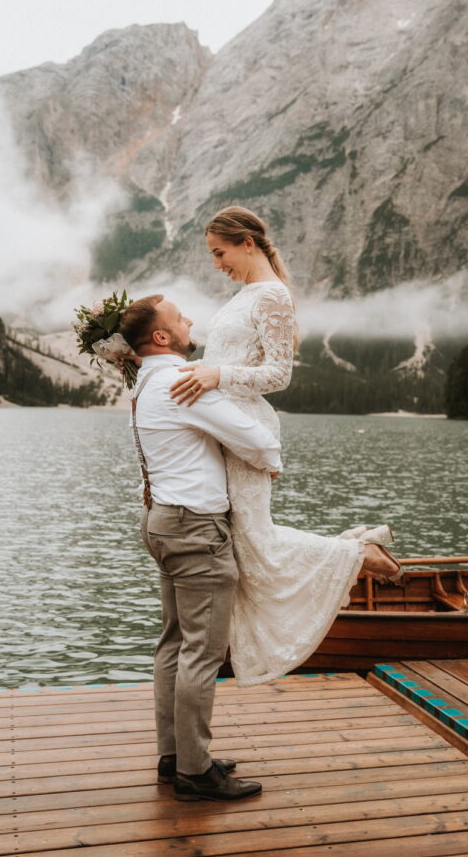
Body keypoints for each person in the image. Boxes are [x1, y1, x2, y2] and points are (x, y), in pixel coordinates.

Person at [169, 205, 402, 687]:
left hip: (246, 428)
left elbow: (280, 374)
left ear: (247, 243)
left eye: (220, 252)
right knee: (240, 542)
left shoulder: (273, 296)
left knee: (257, 543)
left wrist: (219, 375)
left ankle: (358, 555)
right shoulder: (244, 296)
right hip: (222, 427)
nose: (216, 264)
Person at [119, 294, 281, 802]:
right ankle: (195, 770)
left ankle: (175, 755)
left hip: (161, 522)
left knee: (173, 643)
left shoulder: (145, 380)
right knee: (201, 652)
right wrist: (269, 457)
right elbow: (256, 440)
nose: (190, 320)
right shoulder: (181, 381)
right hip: (194, 528)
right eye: (180, 317)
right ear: (162, 337)